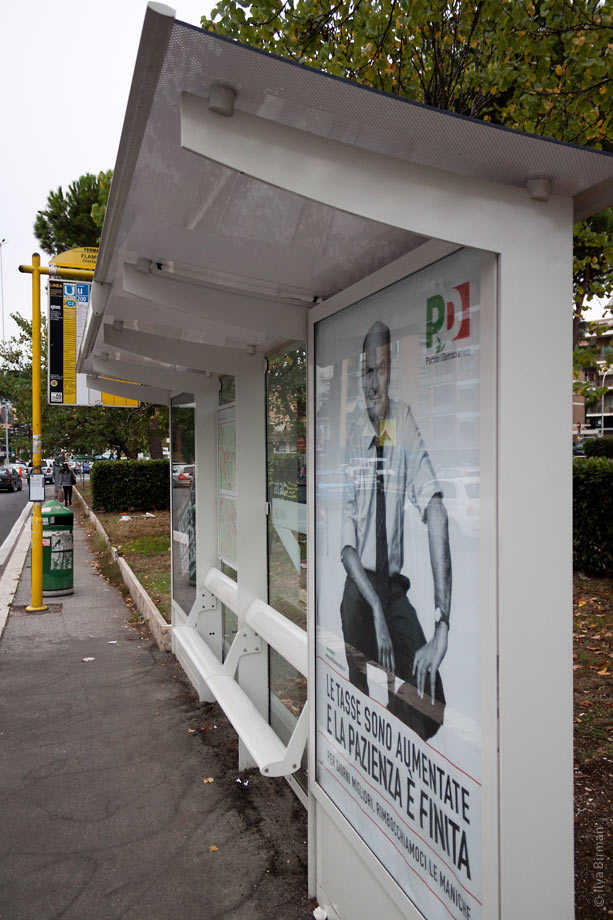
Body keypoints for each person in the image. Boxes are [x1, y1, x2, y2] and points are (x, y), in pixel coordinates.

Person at [340, 321, 451, 741]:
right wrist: (377, 619)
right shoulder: (353, 432)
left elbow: (435, 511)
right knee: (358, 639)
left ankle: (390, 730)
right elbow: (348, 552)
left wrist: (442, 623)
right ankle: (362, 714)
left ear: (391, 371)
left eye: (380, 369)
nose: (373, 381)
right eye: (367, 371)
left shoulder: (401, 421)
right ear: (360, 376)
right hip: (360, 584)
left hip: (393, 587)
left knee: (431, 705)